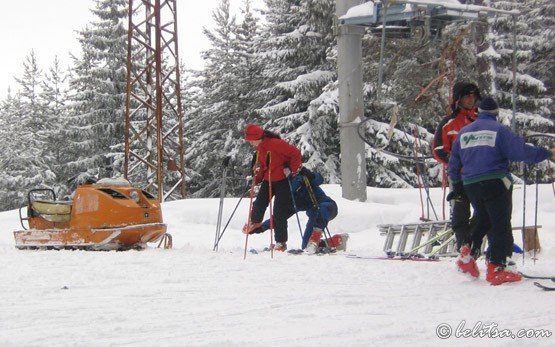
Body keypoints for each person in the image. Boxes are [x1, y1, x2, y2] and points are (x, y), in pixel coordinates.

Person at [448, 97, 555, 285]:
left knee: (483, 218)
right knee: (500, 222)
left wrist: (457, 186)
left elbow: (454, 163)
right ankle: (496, 267)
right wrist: (547, 153)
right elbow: (520, 151)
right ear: (496, 114)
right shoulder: (499, 130)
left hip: (470, 183)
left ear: (478, 112)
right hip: (495, 181)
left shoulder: (464, 133)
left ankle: (468, 254)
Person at [432, 81, 481, 275]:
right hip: (459, 177)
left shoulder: (481, 119)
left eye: (473, 95)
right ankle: (464, 249)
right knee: (460, 214)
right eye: (467, 96)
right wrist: (457, 162)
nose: (470, 99)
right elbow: (438, 150)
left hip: (481, 176)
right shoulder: (448, 123)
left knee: (484, 214)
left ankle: (472, 247)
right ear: (459, 99)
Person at [257, 167, 348, 254]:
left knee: (320, 210)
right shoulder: (291, 198)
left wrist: (308, 174)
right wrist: (260, 227)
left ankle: (315, 237)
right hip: (314, 217)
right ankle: (338, 241)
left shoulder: (302, 177)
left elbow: (319, 179)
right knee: (306, 247)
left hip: (328, 207)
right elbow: (279, 217)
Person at [242, 124, 302, 252]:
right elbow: (263, 166)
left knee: (279, 212)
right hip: (268, 179)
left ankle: (280, 243)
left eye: (251, 140)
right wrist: (256, 179)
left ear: (257, 137)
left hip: (283, 180)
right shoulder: (260, 148)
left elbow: (295, 153)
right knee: (259, 203)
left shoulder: (275, 143)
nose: (250, 143)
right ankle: (255, 222)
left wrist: (292, 169)